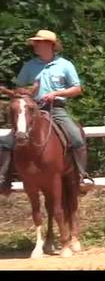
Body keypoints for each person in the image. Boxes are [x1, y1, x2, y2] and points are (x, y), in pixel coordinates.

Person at [0, 29, 93, 195]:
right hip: (32, 110)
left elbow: (77, 89)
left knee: (76, 137)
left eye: (39, 42)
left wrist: (56, 93)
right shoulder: (29, 66)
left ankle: (81, 176)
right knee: (7, 141)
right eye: (35, 42)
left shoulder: (65, 65)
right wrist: (22, 94)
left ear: (50, 45)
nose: (35, 45)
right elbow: (20, 88)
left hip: (57, 109)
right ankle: (4, 179)